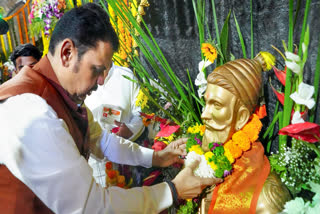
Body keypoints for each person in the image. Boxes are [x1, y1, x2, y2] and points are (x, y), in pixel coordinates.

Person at [0, 3, 221, 213]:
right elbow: (92, 207)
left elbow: (104, 142)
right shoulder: (31, 110)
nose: (101, 82)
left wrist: (158, 157)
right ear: (67, 53)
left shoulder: (60, 96)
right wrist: (172, 191)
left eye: (105, 72)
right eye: (96, 70)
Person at [198, 55, 291, 214]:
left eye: (217, 105)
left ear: (241, 118)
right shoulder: (201, 161)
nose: (204, 115)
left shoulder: (266, 200)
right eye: (206, 103)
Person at [85, 63, 145, 187]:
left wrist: (130, 129)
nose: (100, 82)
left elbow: (141, 114)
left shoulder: (125, 75)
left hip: (128, 161)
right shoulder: (80, 79)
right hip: (95, 167)